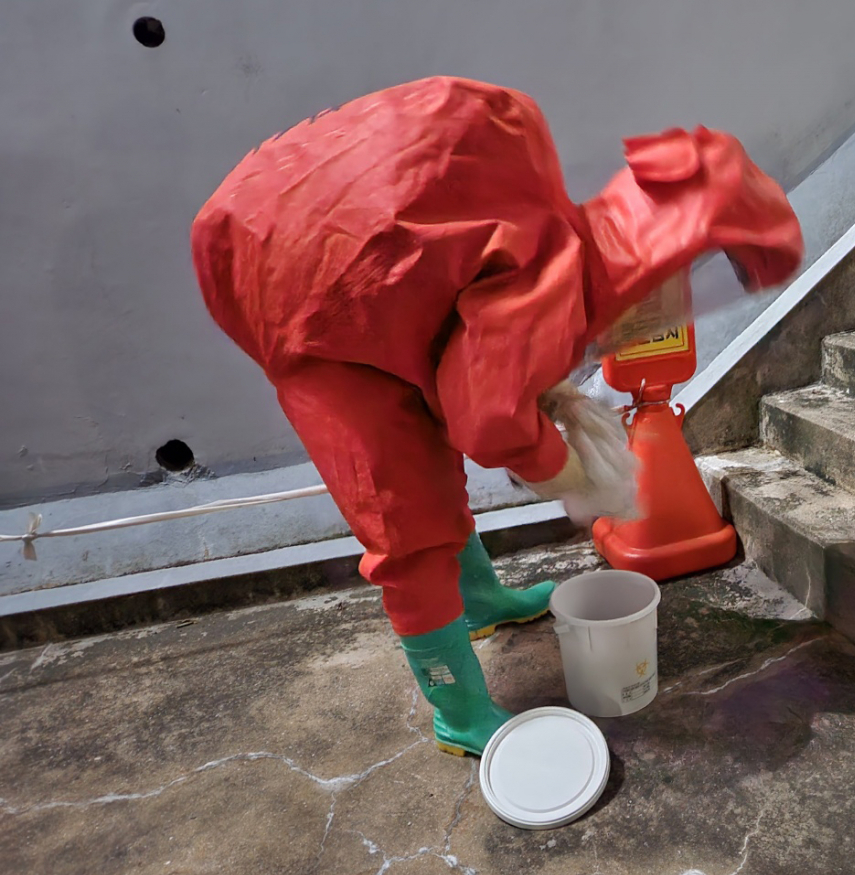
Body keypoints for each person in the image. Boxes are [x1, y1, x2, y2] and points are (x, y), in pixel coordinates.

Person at [191, 76, 803, 756]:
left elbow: (465, 367)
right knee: (404, 518)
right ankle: (457, 710)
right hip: (312, 319)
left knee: (426, 454)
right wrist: (568, 471)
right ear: (676, 249)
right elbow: (486, 422)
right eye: (711, 270)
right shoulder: (559, 281)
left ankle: (477, 602)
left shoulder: (548, 234)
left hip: (317, 269)